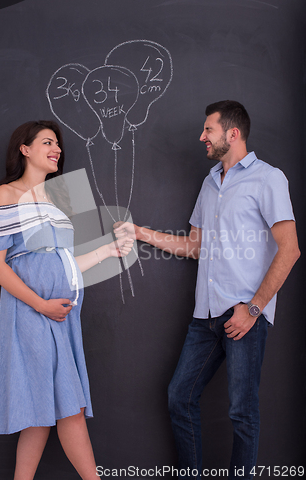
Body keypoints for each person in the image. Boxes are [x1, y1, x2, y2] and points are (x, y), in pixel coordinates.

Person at [114, 101, 300, 479]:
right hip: (206, 317)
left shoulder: (268, 179)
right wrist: (138, 233)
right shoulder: (209, 182)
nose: (202, 137)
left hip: (244, 315)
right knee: (179, 398)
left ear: (232, 134)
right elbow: (194, 247)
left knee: (241, 412)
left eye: (208, 130)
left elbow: (291, 249)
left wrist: (253, 309)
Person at [0, 120, 134, 480]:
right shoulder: (6, 195)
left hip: (62, 318)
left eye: (59, 144)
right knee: (68, 407)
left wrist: (108, 251)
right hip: (32, 316)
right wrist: (41, 305)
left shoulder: (58, 199)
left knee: (40, 414)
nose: (57, 149)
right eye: (48, 142)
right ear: (25, 149)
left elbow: (64, 262)